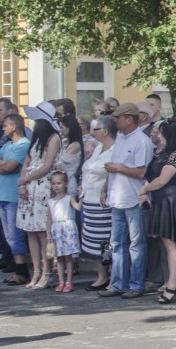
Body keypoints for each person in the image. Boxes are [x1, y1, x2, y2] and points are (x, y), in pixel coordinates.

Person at [100, 102, 154, 299]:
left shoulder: (142, 141)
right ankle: (118, 283)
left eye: (118, 118)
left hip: (134, 199)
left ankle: (136, 284)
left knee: (136, 244)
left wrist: (118, 169)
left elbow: (142, 171)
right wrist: (105, 188)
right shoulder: (121, 139)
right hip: (117, 197)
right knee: (117, 243)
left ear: (129, 119)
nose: (115, 121)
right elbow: (112, 167)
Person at [139, 119, 176, 304]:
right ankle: (172, 283)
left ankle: (173, 284)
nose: (157, 135)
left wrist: (145, 190)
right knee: (167, 243)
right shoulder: (163, 152)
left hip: (171, 200)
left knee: (172, 245)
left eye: (160, 132)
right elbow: (151, 175)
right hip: (161, 200)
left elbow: (163, 180)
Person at [17, 104, 62, 290]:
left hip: (43, 186)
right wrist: (22, 181)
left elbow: (46, 165)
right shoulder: (35, 139)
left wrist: (26, 178)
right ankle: (35, 270)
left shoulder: (53, 138)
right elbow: (27, 160)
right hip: (29, 186)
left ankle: (47, 270)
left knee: (44, 232)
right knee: (30, 231)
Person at [0, 113, 31, 285]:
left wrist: (2, 166)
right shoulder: (7, 145)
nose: (2, 127)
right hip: (2, 195)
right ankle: (17, 269)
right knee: (8, 234)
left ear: (14, 126)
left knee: (15, 234)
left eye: (5, 125)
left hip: (14, 196)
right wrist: (2, 167)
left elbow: (11, 166)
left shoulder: (23, 144)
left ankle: (22, 270)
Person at [81, 115, 116, 290]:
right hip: (89, 199)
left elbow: (110, 173)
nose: (93, 132)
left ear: (105, 131)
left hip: (103, 201)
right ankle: (101, 275)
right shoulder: (98, 148)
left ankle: (111, 276)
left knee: (105, 240)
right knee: (93, 240)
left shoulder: (115, 149)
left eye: (96, 129)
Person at [45, 170, 81, 292]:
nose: (56, 186)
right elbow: (49, 219)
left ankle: (69, 281)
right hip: (57, 230)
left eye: (59, 183)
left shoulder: (68, 198)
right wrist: (48, 234)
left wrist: (81, 196)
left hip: (67, 229)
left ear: (65, 184)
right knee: (59, 257)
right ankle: (61, 281)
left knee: (68, 257)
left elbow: (78, 207)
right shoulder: (50, 201)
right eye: (54, 183)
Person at [57, 115, 85, 199]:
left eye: (62, 127)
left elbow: (60, 165)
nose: (60, 130)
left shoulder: (75, 145)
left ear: (69, 128)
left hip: (68, 184)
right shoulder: (65, 143)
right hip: (61, 184)